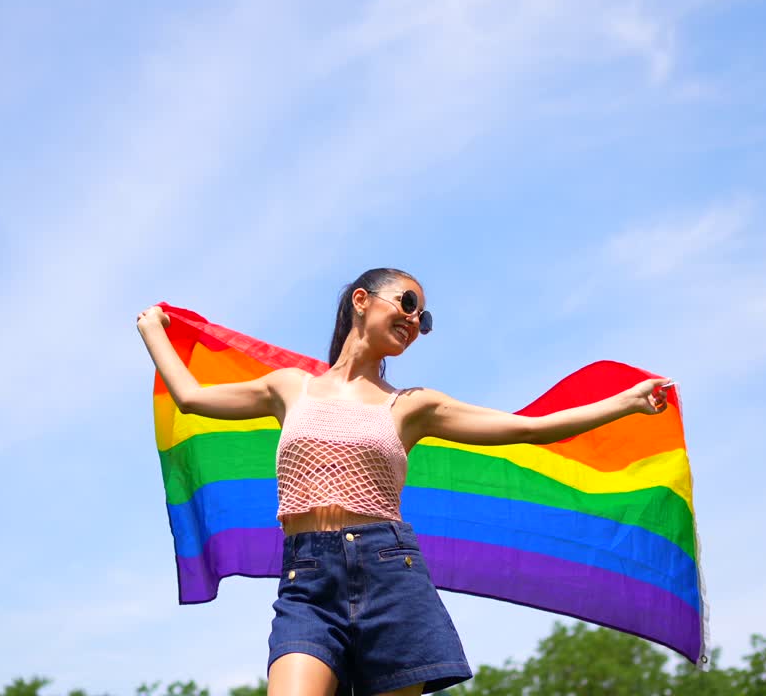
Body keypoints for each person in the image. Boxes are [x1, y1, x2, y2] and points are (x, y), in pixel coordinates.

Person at [136, 267, 672, 696]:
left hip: (389, 574)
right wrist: (152, 331)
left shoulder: (411, 405)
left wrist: (624, 403)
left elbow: (526, 429)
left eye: (424, 319)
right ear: (362, 301)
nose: (416, 322)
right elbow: (192, 397)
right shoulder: (289, 388)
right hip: (307, 580)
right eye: (409, 304)